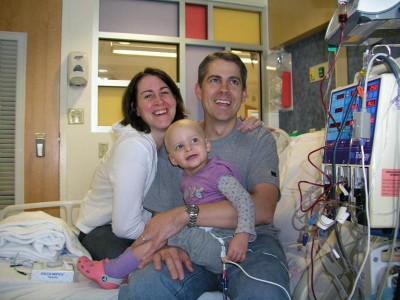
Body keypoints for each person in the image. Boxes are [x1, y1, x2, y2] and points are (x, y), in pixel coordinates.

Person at [119, 51, 291, 299]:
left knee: (265, 293)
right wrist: (165, 245)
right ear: (199, 91)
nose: (223, 89)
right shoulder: (177, 140)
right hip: (193, 248)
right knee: (145, 286)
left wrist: (183, 215)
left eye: (233, 82)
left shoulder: (258, 138)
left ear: (243, 94)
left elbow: (263, 209)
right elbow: (161, 217)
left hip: (252, 243)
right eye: (214, 80)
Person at [77, 119, 256, 289]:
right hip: (205, 241)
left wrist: (242, 235)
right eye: (180, 146)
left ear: (207, 145)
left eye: (194, 140)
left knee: (159, 232)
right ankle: (119, 270)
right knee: (159, 232)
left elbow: (245, 200)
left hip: (222, 246)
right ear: (173, 159)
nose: (188, 148)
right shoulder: (188, 179)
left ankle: (114, 271)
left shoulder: (218, 173)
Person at [75, 67, 187, 264]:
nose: (159, 101)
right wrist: (165, 238)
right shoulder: (134, 146)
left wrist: (243, 125)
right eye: (148, 96)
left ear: (175, 100)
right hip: (103, 231)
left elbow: (204, 135)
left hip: (136, 228)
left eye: (164, 92)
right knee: (155, 269)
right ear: (135, 108)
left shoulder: (170, 143)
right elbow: (124, 227)